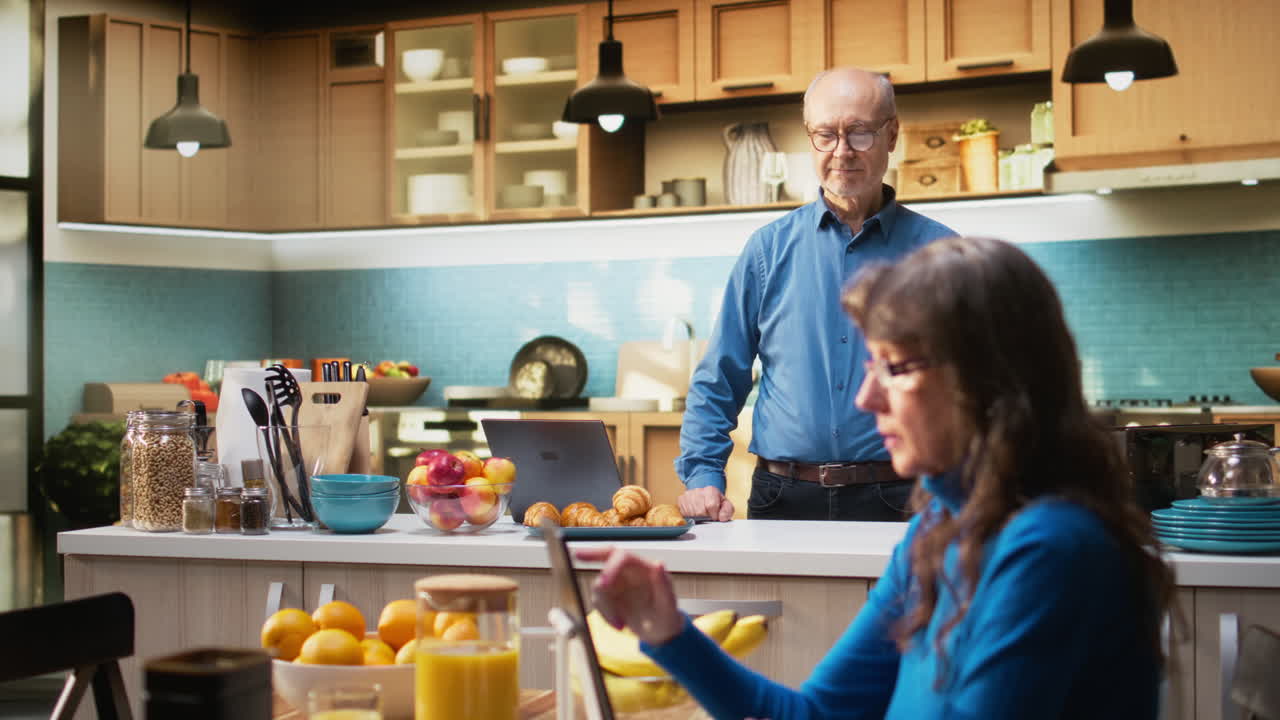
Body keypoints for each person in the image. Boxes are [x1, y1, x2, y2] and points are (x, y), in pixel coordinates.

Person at [580, 236, 1178, 720]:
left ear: (987, 380)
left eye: (894, 368)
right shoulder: (941, 525)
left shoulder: (1051, 550)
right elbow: (813, 713)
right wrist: (666, 630)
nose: (867, 396)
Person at [676, 67, 955, 522]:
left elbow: (970, 388)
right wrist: (704, 475)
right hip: (781, 497)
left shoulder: (939, 254)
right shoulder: (767, 250)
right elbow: (720, 375)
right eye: (826, 135)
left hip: (901, 497)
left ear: (892, 135)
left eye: (860, 133)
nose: (842, 152)